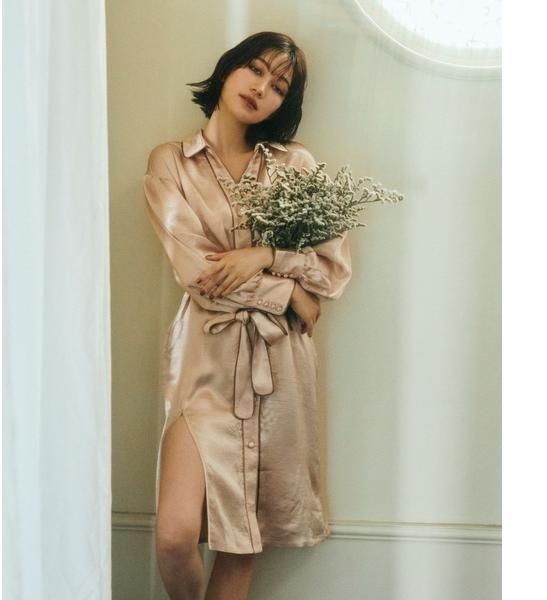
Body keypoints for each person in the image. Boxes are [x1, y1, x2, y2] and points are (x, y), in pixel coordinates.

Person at [143, 31, 352, 600]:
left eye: (279, 85)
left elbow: (331, 269)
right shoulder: (170, 162)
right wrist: (285, 294)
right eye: (255, 69)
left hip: (278, 365)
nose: (262, 88)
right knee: (174, 536)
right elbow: (197, 271)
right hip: (203, 362)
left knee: (243, 540)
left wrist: (265, 256)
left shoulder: (295, 163)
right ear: (229, 68)